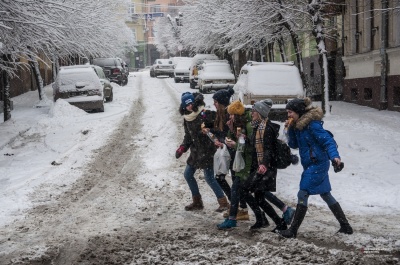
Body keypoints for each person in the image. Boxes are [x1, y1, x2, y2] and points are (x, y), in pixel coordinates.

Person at [277, 97, 353, 238]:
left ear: (298, 111)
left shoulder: (312, 125)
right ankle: (346, 226)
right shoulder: (298, 126)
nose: (288, 115)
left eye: (290, 112)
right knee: (325, 194)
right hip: (311, 164)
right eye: (287, 112)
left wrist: (335, 157)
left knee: (303, 192)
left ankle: (292, 230)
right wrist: (290, 129)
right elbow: (293, 145)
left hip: (318, 164)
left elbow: (328, 141)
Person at [175, 92, 229, 212]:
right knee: (188, 174)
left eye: (190, 103)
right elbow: (188, 136)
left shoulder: (204, 113)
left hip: (208, 150)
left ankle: (223, 202)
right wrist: (182, 148)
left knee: (209, 177)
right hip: (196, 152)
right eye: (186, 105)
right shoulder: (187, 118)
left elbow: (220, 127)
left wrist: (211, 131)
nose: (189, 107)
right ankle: (197, 202)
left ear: (194, 102)